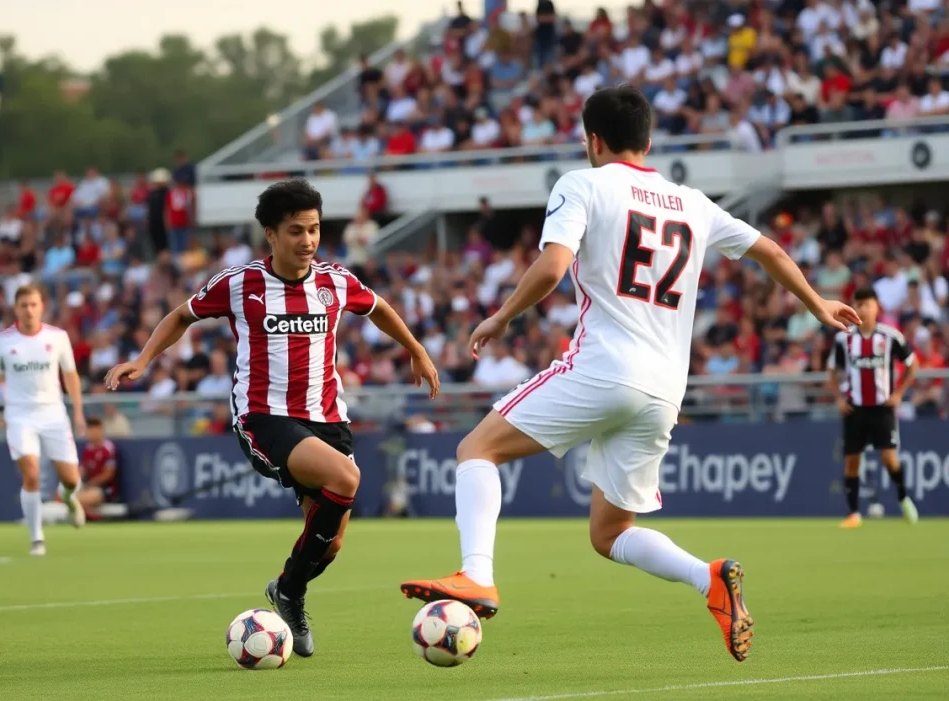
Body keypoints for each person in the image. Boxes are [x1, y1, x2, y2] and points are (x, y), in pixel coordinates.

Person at [400, 86, 860, 663]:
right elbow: (768, 249)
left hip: (604, 367)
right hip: (665, 389)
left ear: (593, 140)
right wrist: (817, 304)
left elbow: (553, 266)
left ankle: (477, 576)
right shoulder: (691, 201)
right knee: (610, 532)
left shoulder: (582, 184)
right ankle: (708, 578)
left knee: (476, 450)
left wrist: (501, 316)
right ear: (648, 140)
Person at [104, 178, 439, 658]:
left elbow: (379, 307)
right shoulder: (240, 284)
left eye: (315, 230)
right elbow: (181, 316)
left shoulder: (335, 282)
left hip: (327, 418)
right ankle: (290, 591)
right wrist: (144, 359)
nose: (308, 241)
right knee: (347, 477)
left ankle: (288, 589)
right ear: (271, 235)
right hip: (263, 417)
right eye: (297, 231)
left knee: (331, 545)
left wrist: (416, 351)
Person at [0, 285, 87, 556]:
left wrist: (77, 412)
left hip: (53, 413)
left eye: (33, 304)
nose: (29, 310)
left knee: (72, 479)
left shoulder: (58, 337)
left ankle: (68, 497)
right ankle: (37, 538)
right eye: (23, 305)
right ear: (16, 309)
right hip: (19, 415)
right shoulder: (3, 341)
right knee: (31, 473)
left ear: (42, 306)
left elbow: (70, 375)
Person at [827, 287, 919, 529]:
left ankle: (903, 496)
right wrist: (838, 398)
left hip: (882, 408)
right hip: (854, 408)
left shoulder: (890, 337)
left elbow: (912, 365)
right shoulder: (843, 338)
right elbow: (831, 370)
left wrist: (899, 393)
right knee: (851, 461)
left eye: (867, 304)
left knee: (889, 458)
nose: (862, 309)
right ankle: (854, 513)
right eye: (858, 304)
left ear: (877, 307)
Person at [77, 417, 120, 513]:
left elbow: (108, 474)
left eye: (94, 430)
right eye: (89, 430)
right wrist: (75, 484)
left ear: (101, 431)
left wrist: (91, 484)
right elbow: (82, 470)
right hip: (88, 487)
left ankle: (93, 517)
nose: (91, 433)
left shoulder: (108, 449)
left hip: (105, 489)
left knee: (78, 500)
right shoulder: (87, 449)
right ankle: (90, 515)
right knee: (63, 496)